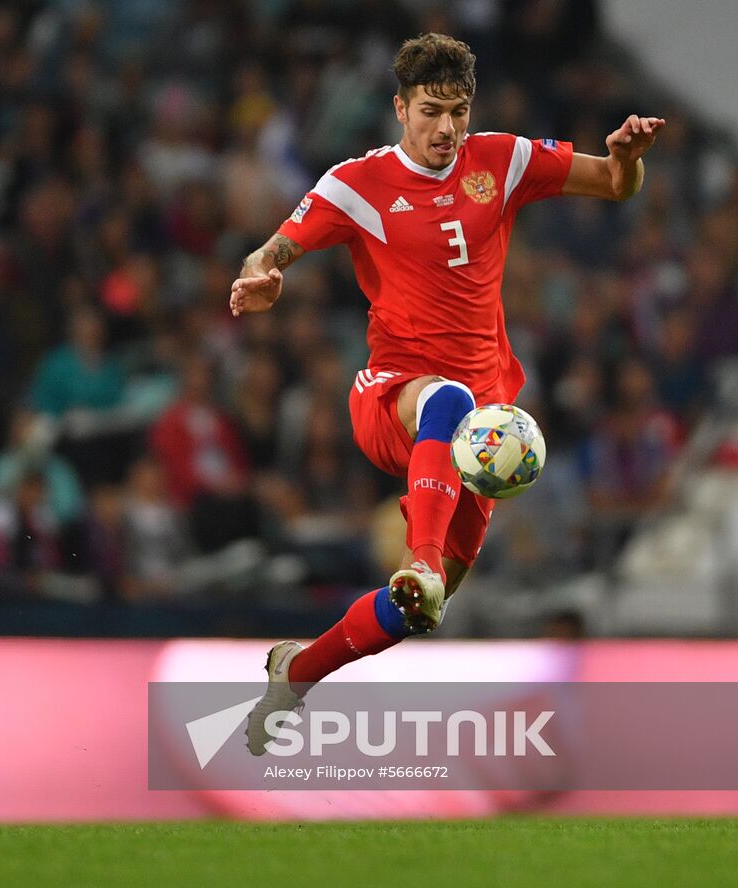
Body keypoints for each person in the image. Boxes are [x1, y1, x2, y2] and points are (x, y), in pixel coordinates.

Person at [231, 34, 664, 752]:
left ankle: (298, 671)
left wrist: (624, 160)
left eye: (458, 111)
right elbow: (273, 247)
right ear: (400, 108)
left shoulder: (503, 160)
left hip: (484, 427)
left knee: (417, 613)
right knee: (447, 405)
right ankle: (421, 558)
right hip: (394, 394)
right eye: (431, 111)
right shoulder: (355, 184)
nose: (446, 129)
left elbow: (613, 186)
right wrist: (263, 274)